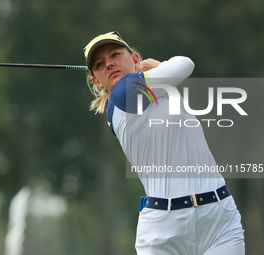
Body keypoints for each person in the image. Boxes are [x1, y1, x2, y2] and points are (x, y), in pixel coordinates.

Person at [83, 31, 245, 255]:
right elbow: (184, 64)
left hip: (219, 222)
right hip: (164, 232)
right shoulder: (122, 95)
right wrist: (157, 66)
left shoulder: (165, 93)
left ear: (135, 58)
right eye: (100, 64)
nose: (109, 64)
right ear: (96, 81)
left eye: (115, 55)